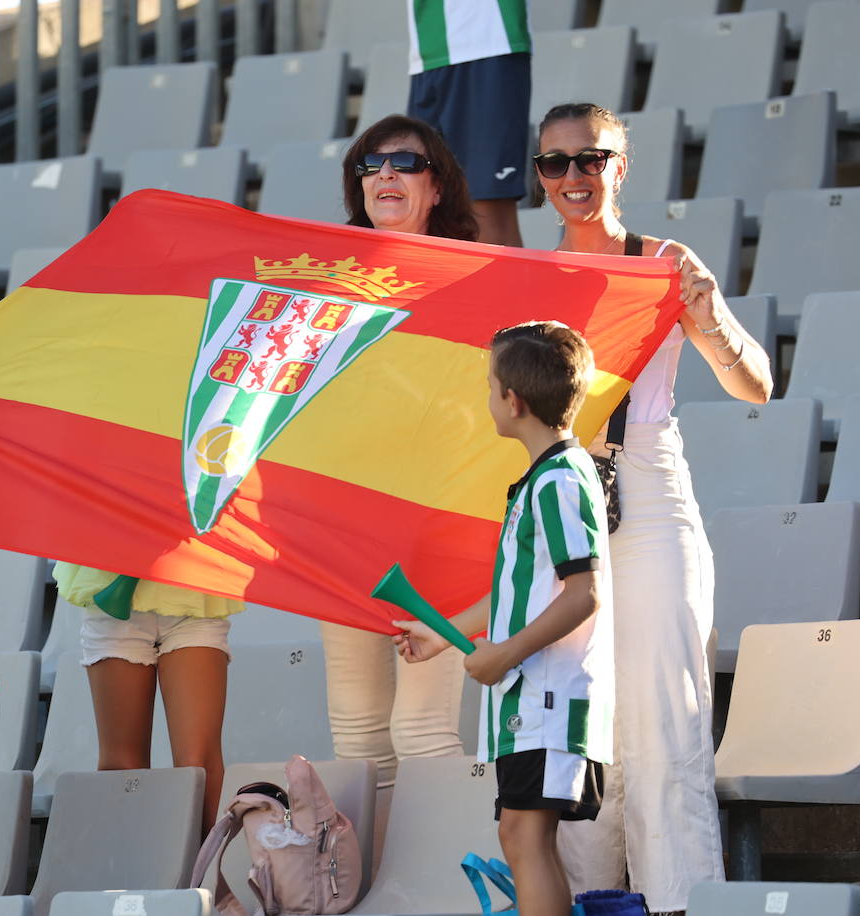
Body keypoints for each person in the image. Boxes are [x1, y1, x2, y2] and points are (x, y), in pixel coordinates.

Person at [534, 102, 774, 915]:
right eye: (555, 163)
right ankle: (596, 901)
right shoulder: (527, 280)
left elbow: (757, 385)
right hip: (564, 495)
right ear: (537, 175)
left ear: (620, 166)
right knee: (580, 725)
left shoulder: (665, 261)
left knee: (667, 720)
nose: (572, 178)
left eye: (590, 159)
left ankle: (681, 904)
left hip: (648, 486)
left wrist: (708, 321)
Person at [394, 321, 613, 916]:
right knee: (519, 837)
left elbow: (582, 593)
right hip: (529, 703)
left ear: (512, 401)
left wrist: (503, 653)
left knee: (524, 837)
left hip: (546, 699)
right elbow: (520, 587)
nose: (488, 397)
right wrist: (445, 637)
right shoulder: (544, 479)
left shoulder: (560, 480)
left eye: (490, 385)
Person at [325, 114, 477, 794]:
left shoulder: (480, 279)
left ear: (437, 186)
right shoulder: (324, 282)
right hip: (342, 523)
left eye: (405, 163)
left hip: (438, 525)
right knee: (357, 738)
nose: (385, 174)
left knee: (421, 732)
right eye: (371, 164)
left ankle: (448, 890)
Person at [53, 563, 240, 834]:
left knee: (198, 765)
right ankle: (126, 871)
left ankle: (207, 874)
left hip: (194, 590)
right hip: (109, 586)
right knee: (122, 767)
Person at [406, 0, 531, 246]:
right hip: (426, 49)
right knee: (424, 211)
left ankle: (513, 285)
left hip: (486, 39)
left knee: (487, 211)